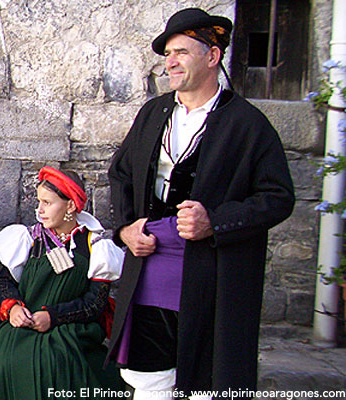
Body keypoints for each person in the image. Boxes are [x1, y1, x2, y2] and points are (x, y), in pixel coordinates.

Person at [106, 8, 295, 398]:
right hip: (149, 269)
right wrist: (125, 229)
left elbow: (278, 198)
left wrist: (216, 221)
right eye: (168, 54)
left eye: (181, 52)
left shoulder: (247, 124)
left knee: (205, 381)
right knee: (150, 380)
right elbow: (121, 174)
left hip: (212, 275)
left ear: (212, 56)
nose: (170, 62)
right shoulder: (153, 114)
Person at [0, 167, 123, 400]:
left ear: (70, 206)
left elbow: (95, 303)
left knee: (56, 362)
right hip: (24, 323)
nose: (39, 210)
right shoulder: (29, 239)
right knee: (8, 357)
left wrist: (54, 317)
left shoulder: (94, 246)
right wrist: (13, 308)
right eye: (38, 201)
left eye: (47, 203)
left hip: (71, 327)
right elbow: (4, 281)